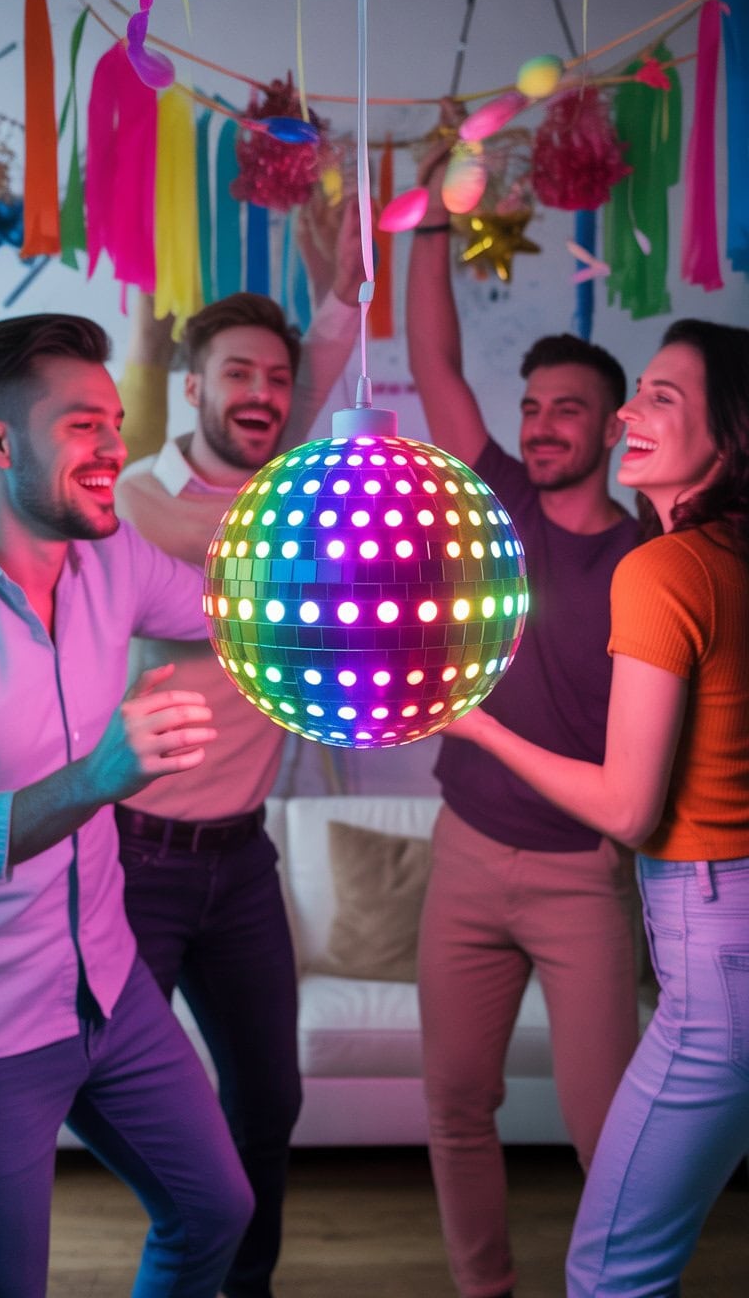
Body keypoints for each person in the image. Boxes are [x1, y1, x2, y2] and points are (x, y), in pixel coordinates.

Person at [448, 317, 749, 1295]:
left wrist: (476, 725)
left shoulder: (661, 567)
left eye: (661, 397)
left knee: (612, 1268)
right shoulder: (723, 558)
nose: (630, 416)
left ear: (730, 432)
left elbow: (625, 810)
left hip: (715, 950)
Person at [405, 100, 641, 1298]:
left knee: (616, 1141)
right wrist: (435, 211)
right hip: (463, 851)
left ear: (614, 429)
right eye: (534, 406)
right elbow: (434, 363)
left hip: (582, 875)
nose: (542, 426)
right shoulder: (490, 493)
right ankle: (484, 1289)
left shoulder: (652, 560)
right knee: (455, 1105)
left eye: (568, 410)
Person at [113, 198, 362, 1298]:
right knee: (119, 1098)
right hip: (134, 861)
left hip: (242, 860)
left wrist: (339, 289)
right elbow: (214, 585)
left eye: (277, 379)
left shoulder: (286, 486)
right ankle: (182, 1253)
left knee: (270, 1103)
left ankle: (243, 1285)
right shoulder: (136, 500)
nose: (260, 395)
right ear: (193, 387)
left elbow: (330, 362)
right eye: (237, 376)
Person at [0, 312, 254, 1298]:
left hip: (111, 985)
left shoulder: (114, 561)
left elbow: (238, 610)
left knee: (215, 1210)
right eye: (81, 425)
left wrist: (377, 575)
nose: (113, 447)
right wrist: (98, 779)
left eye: (116, 422)